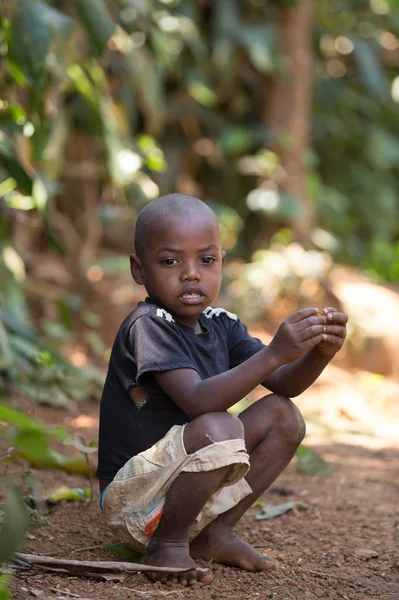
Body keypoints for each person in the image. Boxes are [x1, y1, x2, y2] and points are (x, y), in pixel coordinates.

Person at [97, 193, 347, 586]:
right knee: (219, 425)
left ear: (222, 264)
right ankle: (167, 545)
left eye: (206, 260)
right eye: (169, 261)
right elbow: (199, 402)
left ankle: (214, 533)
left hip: (183, 489)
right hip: (134, 499)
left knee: (282, 414)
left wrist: (319, 353)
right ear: (138, 269)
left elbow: (285, 384)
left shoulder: (221, 323)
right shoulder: (148, 325)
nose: (191, 273)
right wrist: (273, 353)